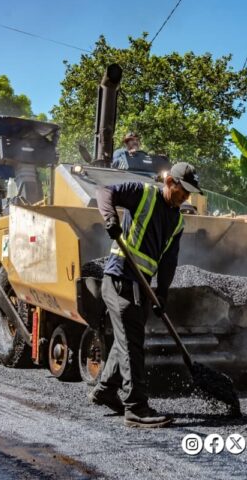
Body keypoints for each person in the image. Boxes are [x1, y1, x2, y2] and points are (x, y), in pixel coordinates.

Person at [90, 162, 201, 428]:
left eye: (189, 192)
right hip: (118, 277)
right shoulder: (143, 193)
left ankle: (105, 390)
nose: (186, 196)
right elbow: (104, 192)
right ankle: (136, 408)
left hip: (141, 285)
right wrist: (110, 218)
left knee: (126, 340)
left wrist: (162, 295)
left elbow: (168, 263)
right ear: (170, 183)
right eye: (182, 190)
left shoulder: (177, 221)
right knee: (132, 343)